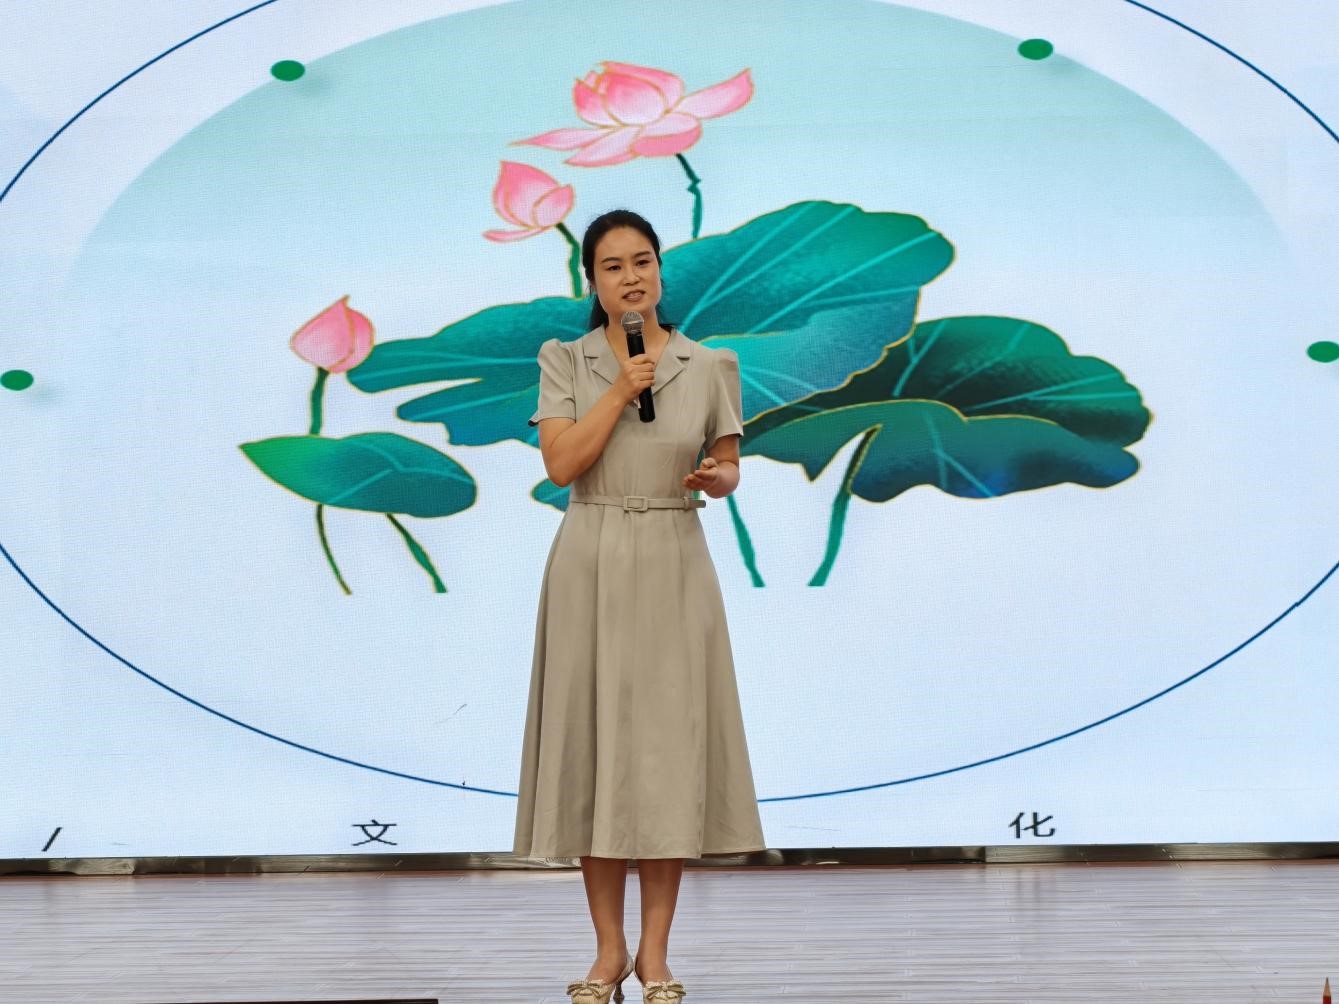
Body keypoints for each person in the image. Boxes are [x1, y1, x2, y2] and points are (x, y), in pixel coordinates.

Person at [513, 209, 767, 1003]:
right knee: (596, 754)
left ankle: (654, 954)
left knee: (662, 757)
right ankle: (607, 951)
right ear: (590, 280)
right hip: (589, 554)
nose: (631, 277)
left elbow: (727, 463)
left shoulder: (709, 363)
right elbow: (561, 465)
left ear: (660, 271)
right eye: (613, 265)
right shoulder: (566, 359)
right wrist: (620, 389)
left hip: (672, 553)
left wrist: (718, 479)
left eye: (643, 261)